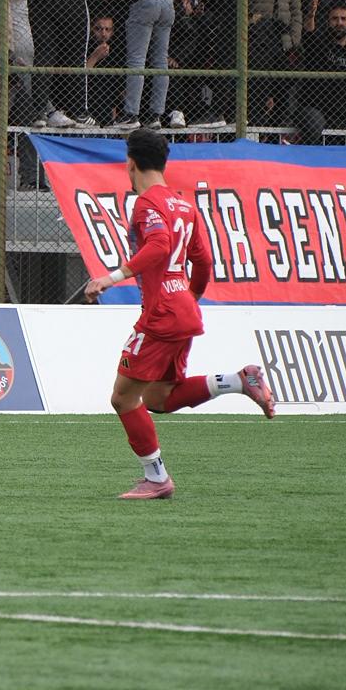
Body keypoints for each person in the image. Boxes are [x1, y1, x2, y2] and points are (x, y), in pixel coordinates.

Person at [84, 129, 276, 500]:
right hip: (182, 309)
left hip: (161, 314)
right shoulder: (184, 205)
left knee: (123, 399)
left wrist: (110, 278)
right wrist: (189, 297)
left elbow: (158, 246)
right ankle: (239, 380)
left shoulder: (146, 204)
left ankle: (156, 478)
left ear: (131, 163)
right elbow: (203, 260)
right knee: (159, 398)